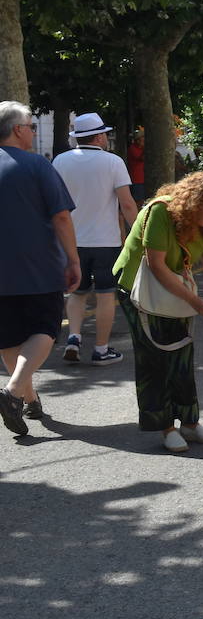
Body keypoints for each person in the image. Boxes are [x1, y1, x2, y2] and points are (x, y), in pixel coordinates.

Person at [112, 171, 203, 452]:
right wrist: (197, 303)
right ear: (195, 202)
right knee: (155, 358)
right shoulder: (161, 212)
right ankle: (166, 427)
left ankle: (190, 423)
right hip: (138, 289)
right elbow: (157, 266)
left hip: (174, 287)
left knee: (182, 355)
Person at [0, 102, 81, 435]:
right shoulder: (37, 166)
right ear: (18, 129)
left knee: (8, 337)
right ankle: (12, 390)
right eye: (31, 126)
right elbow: (61, 217)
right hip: (38, 266)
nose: (33, 131)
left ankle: (29, 400)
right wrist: (73, 260)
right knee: (44, 329)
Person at [53, 112, 140, 370]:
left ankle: (74, 338)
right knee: (105, 295)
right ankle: (101, 349)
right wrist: (139, 233)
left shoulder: (60, 161)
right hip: (105, 240)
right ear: (100, 136)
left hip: (72, 239)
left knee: (77, 292)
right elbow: (126, 203)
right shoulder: (113, 162)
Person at [126, 128, 146, 203]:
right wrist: (145, 148)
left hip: (142, 178)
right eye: (142, 138)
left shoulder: (140, 148)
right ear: (138, 140)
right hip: (137, 179)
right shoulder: (133, 148)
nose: (144, 140)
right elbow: (141, 158)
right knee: (138, 200)